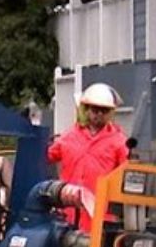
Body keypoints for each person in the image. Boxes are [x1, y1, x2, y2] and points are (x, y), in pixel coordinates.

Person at [47, 83, 129, 232]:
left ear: (111, 113)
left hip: (100, 218)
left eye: (104, 110)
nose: (98, 114)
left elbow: (127, 176)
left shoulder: (119, 141)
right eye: (94, 109)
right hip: (68, 217)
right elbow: (45, 156)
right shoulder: (68, 136)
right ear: (86, 109)